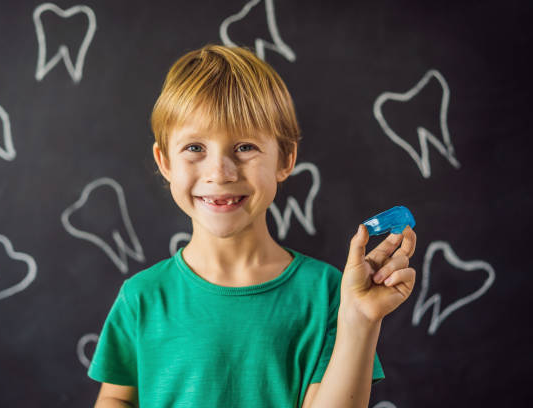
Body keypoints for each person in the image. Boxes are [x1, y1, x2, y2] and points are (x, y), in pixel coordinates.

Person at [88, 44, 417, 408]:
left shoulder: (328, 294)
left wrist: (360, 320)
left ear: (285, 159)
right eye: (195, 148)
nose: (219, 172)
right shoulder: (142, 297)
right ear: (165, 162)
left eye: (244, 147)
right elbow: (117, 398)